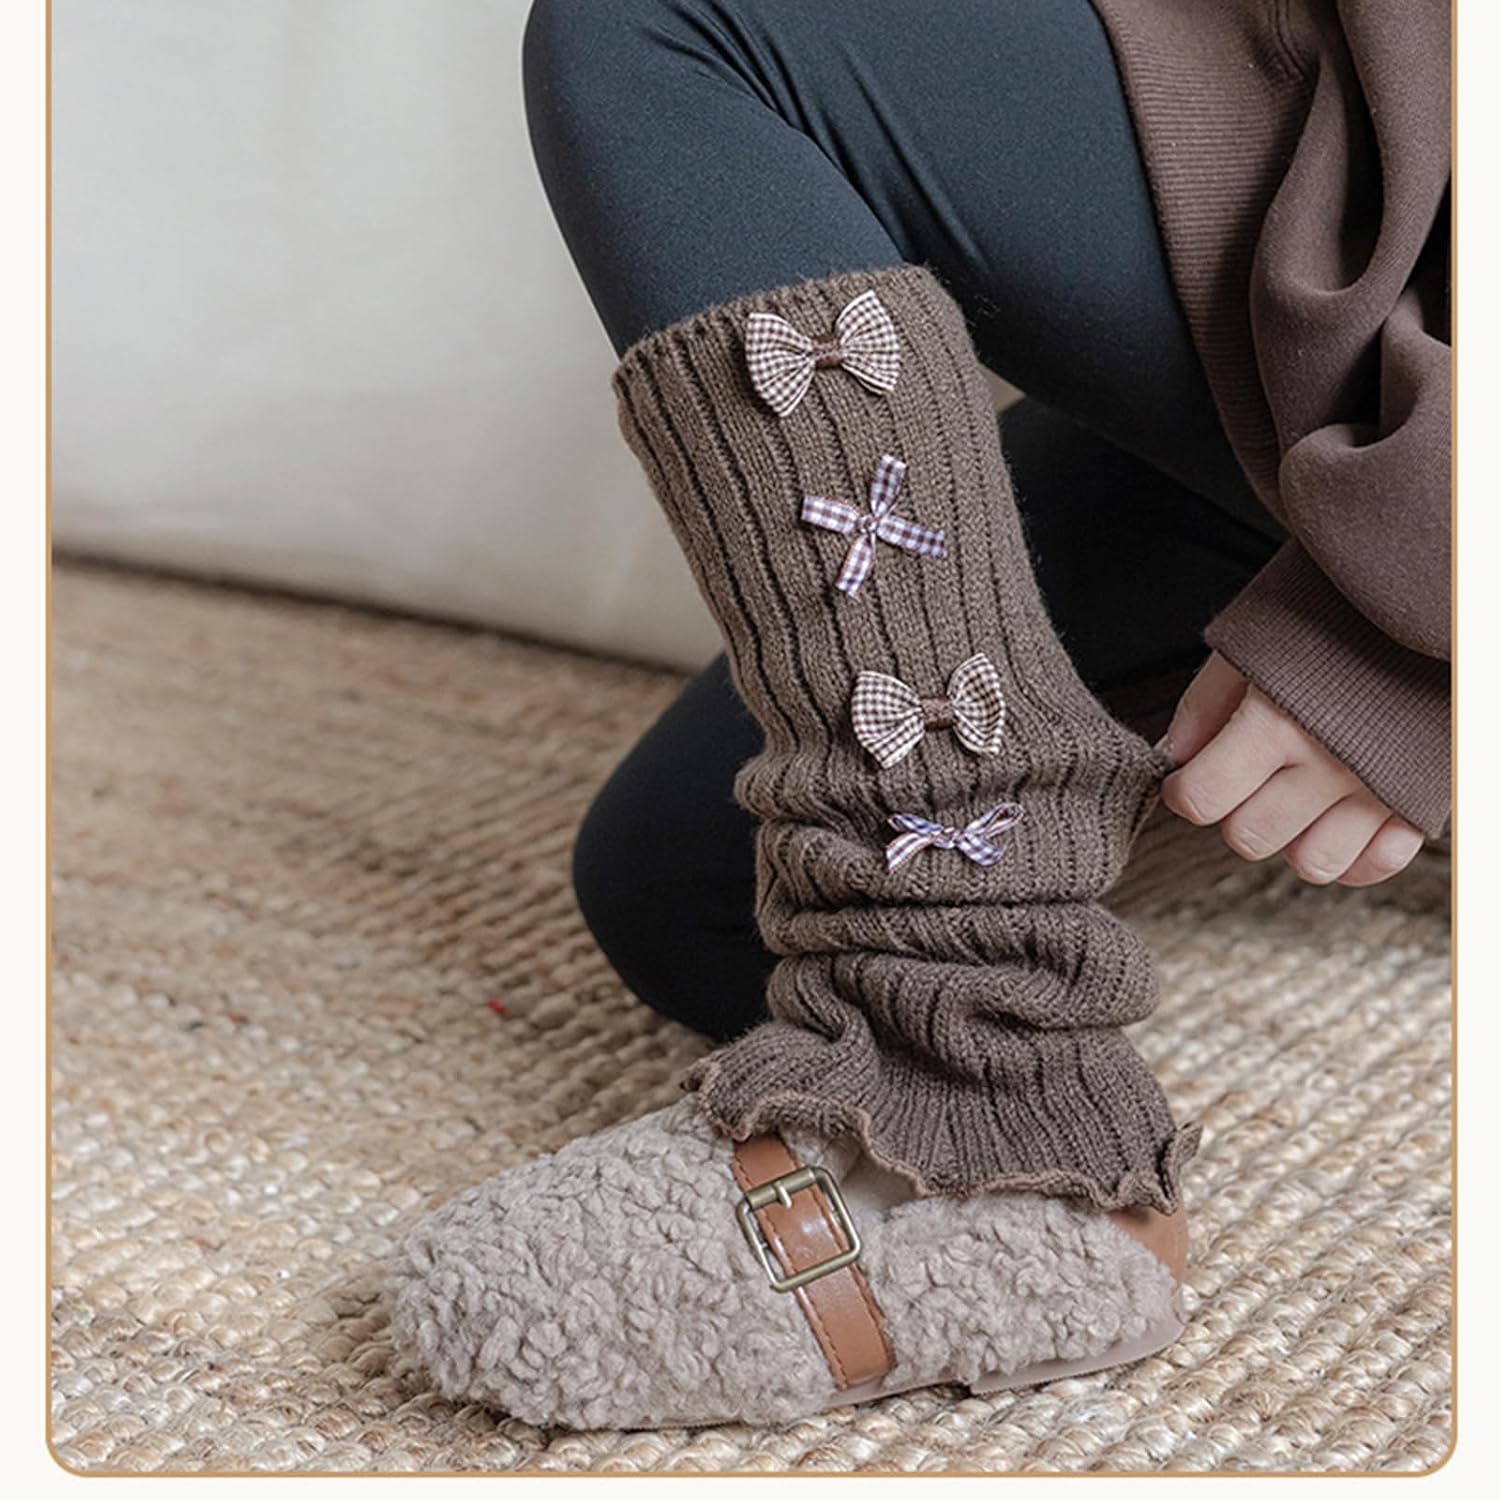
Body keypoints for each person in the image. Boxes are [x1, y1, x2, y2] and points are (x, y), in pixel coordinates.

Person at [387, 0, 1450, 1431]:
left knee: (677, 21)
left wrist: (1424, 599)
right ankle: (970, 1001)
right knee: (682, 893)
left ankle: (1014, 1140)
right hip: (1334, 225)